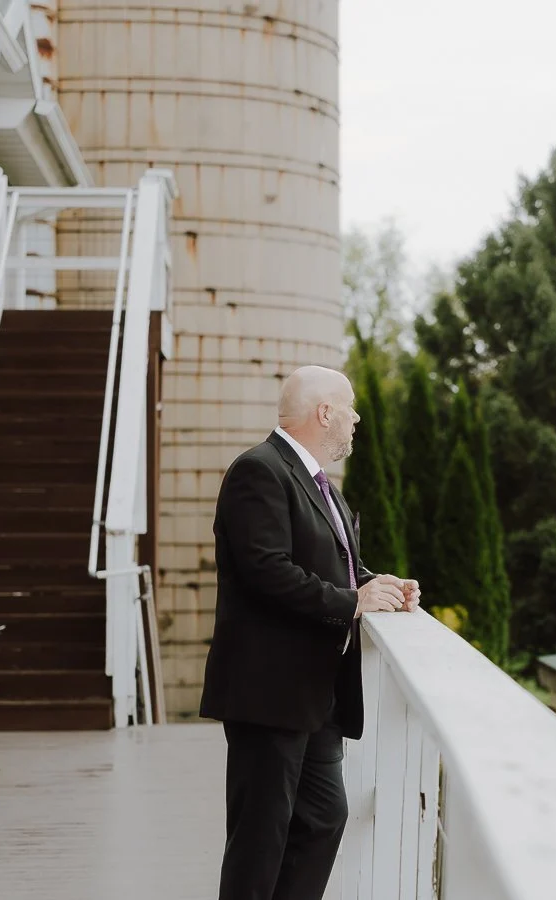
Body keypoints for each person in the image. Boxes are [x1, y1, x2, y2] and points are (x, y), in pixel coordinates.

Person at [200, 365, 420, 900]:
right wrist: (352, 602)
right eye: (350, 410)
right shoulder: (259, 471)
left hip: (317, 694)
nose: (356, 420)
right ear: (325, 413)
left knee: (323, 818)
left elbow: (335, 565)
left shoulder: (321, 485)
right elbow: (266, 570)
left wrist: (375, 583)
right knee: (260, 840)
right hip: (269, 693)